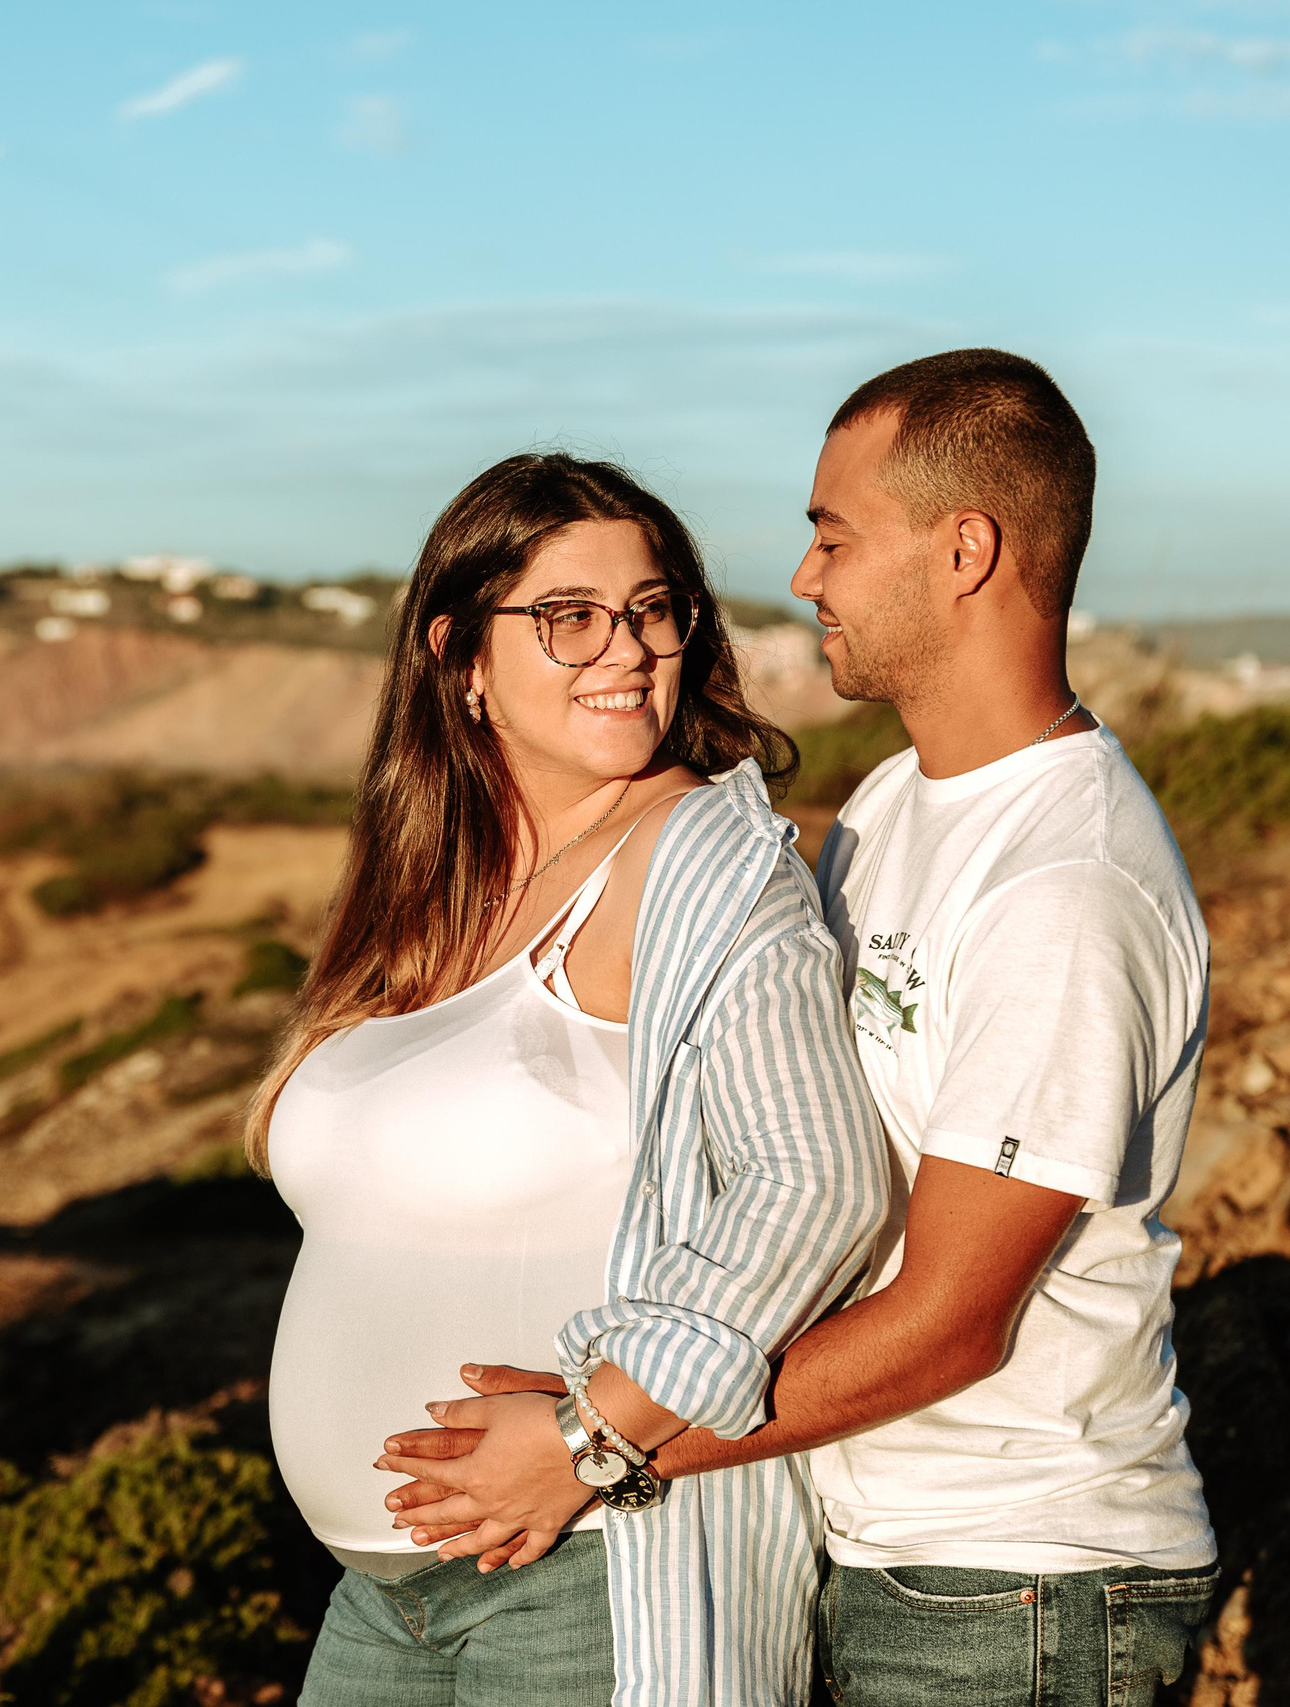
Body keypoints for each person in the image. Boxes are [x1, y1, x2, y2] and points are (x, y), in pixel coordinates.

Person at [386, 352, 1221, 1704]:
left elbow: (955, 1319)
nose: (804, 575)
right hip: (884, 1547)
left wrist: (599, 1438)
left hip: (1018, 1574)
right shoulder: (896, 805)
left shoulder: (1066, 881)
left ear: (965, 549)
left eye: (836, 533)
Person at [252, 451, 888, 1706]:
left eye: (653, 609)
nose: (627, 649)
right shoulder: (440, 889)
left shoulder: (701, 859)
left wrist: (591, 1436)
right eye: (569, 617)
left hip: (584, 1571)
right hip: (380, 1600)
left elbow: (820, 1180)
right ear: (461, 657)